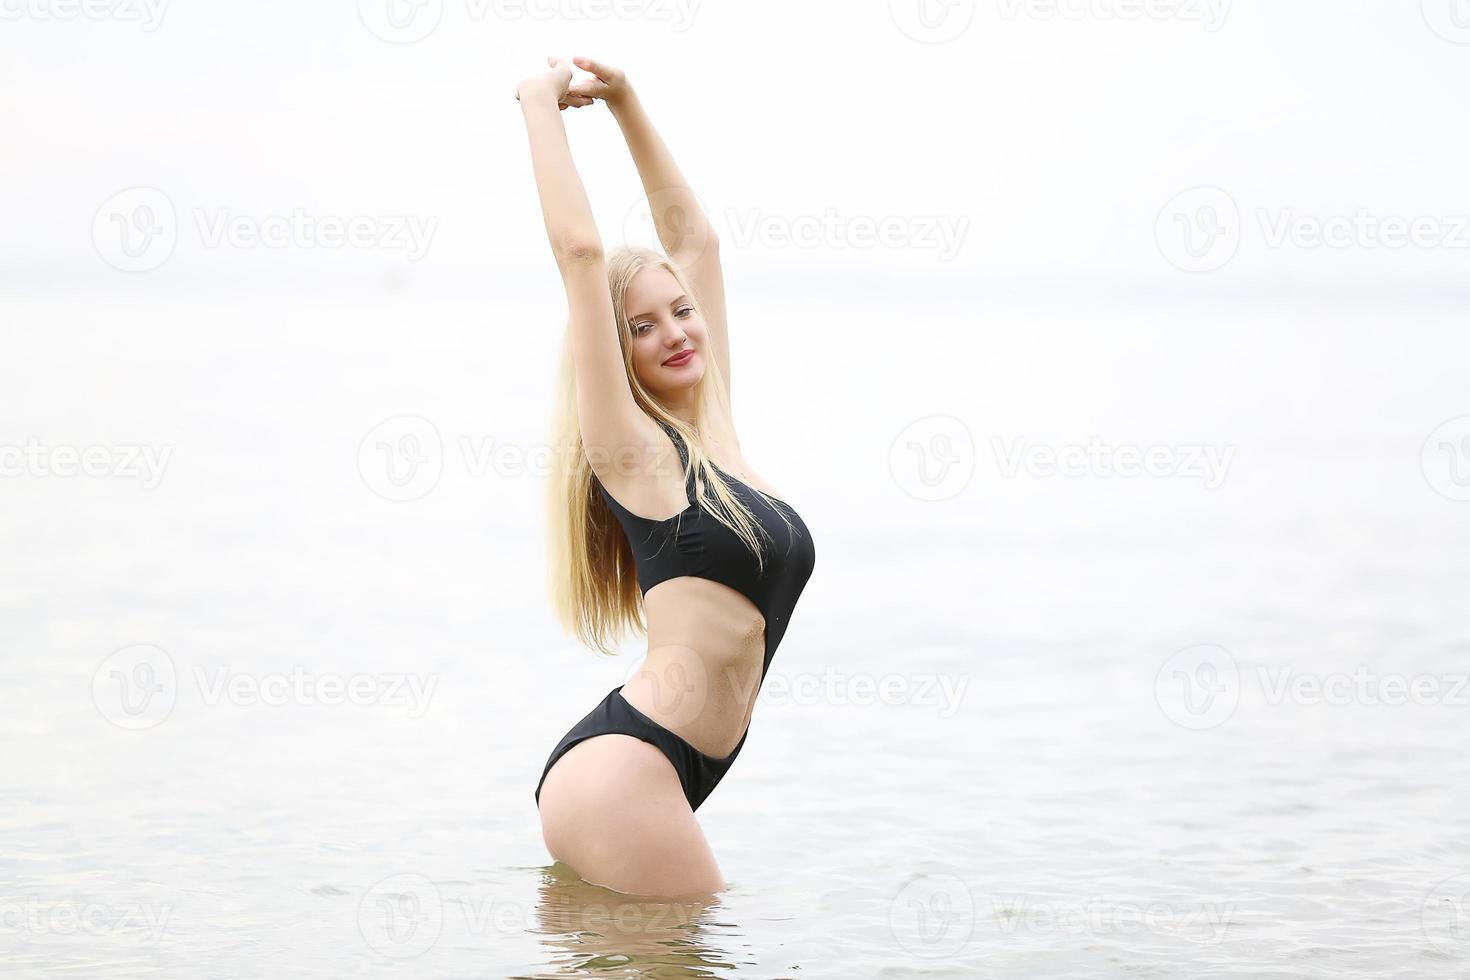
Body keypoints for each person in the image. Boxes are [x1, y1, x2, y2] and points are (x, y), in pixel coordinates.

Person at [517, 55, 818, 898]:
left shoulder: (715, 432)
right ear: (616, 354)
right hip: (625, 771)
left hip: (658, 773)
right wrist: (538, 102)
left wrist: (624, 102)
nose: (676, 332)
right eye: (641, 327)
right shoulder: (635, 453)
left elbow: (695, 242)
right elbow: (580, 252)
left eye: (680, 310)